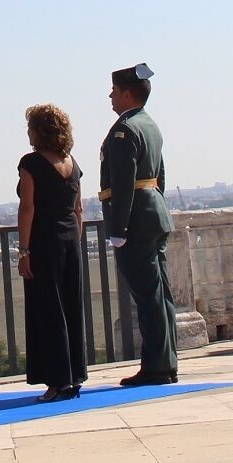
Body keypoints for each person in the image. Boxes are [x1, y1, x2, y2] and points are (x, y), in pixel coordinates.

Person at [100, 63, 179, 381]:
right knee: (160, 294)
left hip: (136, 221)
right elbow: (159, 176)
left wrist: (118, 229)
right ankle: (165, 362)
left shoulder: (125, 129)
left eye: (114, 91)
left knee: (148, 297)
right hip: (154, 214)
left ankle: (157, 367)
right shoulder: (150, 125)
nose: (110, 95)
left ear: (127, 93)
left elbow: (122, 184)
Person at [16, 103, 86, 402]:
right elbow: (78, 209)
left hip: (44, 241)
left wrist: (23, 250)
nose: (28, 132)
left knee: (49, 309)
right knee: (70, 307)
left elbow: (27, 207)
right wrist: (74, 240)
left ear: (39, 130)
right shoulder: (72, 164)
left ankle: (57, 382)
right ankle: (74, 375)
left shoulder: (30, 163)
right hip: (70, 239)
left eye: (30, 126)